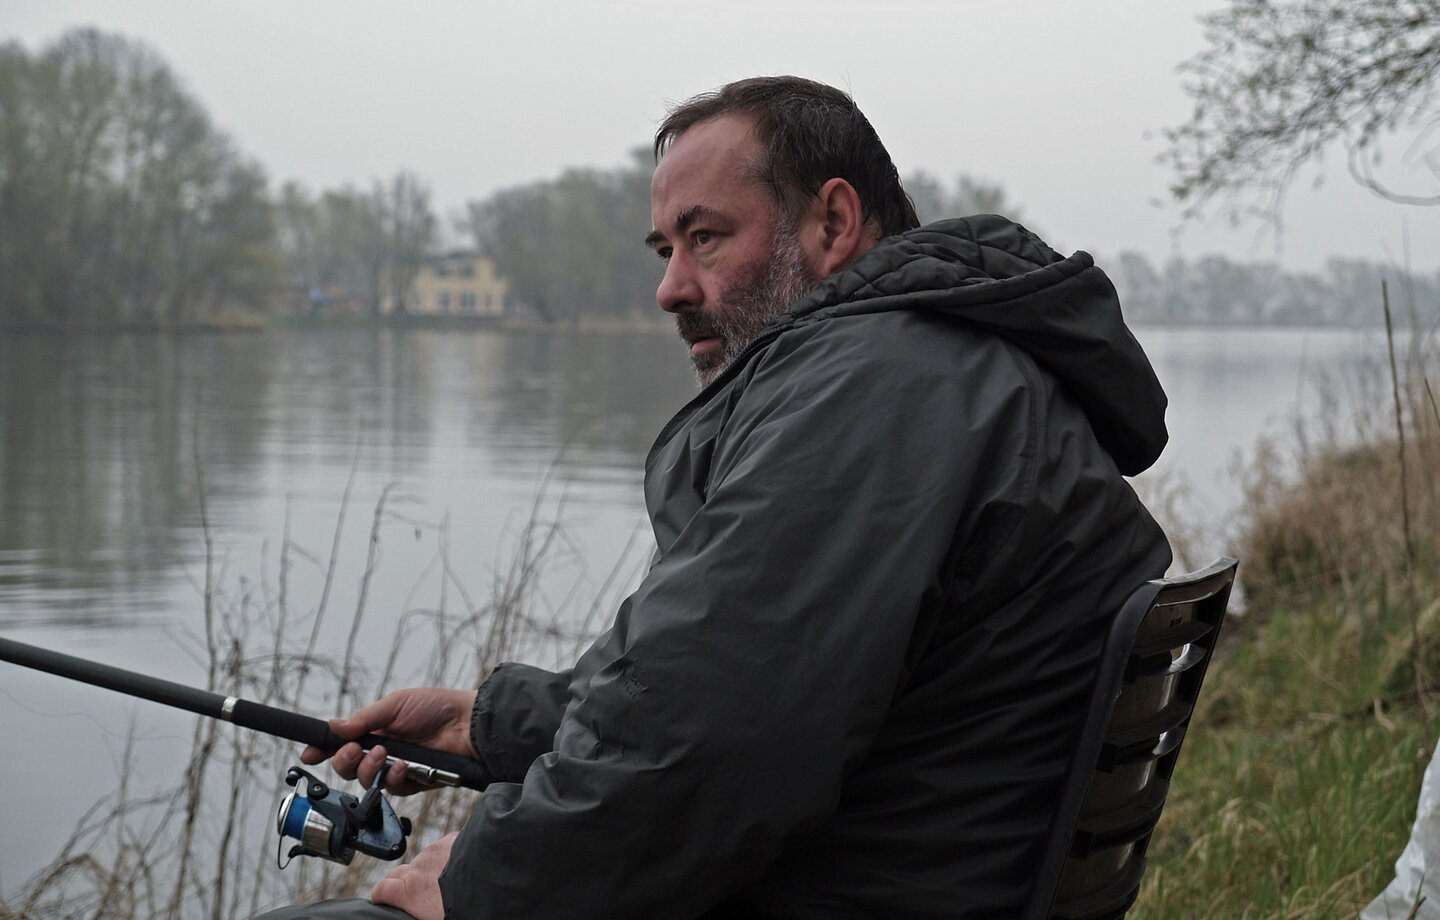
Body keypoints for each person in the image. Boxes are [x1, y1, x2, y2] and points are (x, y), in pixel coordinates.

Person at [262, 76, 1173, 919]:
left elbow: (709, 749)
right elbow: (716, 679)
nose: (669, 289)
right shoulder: (943, 368)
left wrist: (483, 885)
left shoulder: (883, 387)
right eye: (666, 250)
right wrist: (489, 724)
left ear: (832, 222)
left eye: (705, 238)